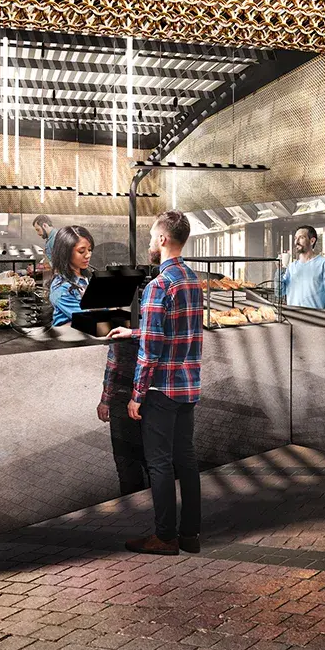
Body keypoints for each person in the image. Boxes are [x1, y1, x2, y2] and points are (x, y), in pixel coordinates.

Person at [107, 210, 203, 556]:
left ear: (163, 239)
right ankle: (190, 534)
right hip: (188, 387)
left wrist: (136, 396)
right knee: (187, 461)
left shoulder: (158, 285)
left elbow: (151, 350)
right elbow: (178, 332)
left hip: (161, 390)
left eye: (151, 236)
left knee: (160, 464)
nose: (149, 242)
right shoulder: (192, 280)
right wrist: (134, 330)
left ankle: (165, 537)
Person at [97, 339, 149, 497]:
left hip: (125, 396)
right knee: (152, 456)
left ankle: (134, 507)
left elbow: (114, 363)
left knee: (126, 459)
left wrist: (105, 400)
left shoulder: (121, 325)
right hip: (153, 395)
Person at [279, 225, 325, 310]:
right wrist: (279, 269)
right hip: (293, 317)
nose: (296, 242)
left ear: (312, 241)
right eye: (295, 238)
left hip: (315, 319)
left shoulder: (324, 264)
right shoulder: (291, 267)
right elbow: (280, 292)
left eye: (301, 238)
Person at [49, 225, 94, 327]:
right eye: (81, 251)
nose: (88, 255)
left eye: (89, 250)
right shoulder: (60, 288)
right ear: (66, 253)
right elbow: (87, 319)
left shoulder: (89, 278)